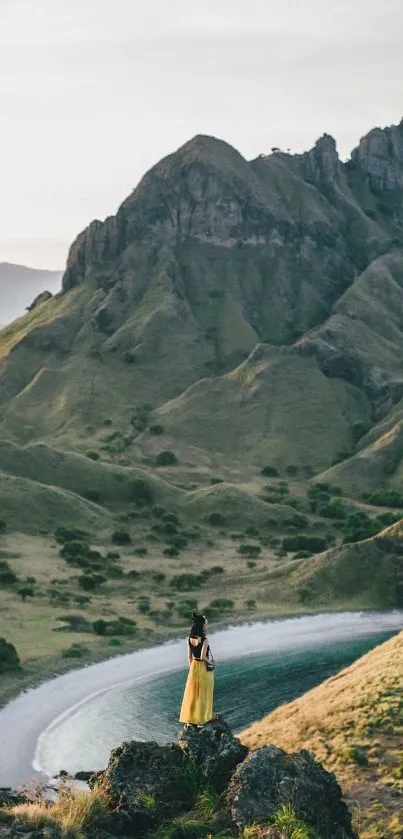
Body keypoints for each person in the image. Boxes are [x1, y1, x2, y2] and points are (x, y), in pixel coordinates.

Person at [179, 613, 214, 727]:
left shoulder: (190, 639)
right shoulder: (204, 640)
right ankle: (202, 720)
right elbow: (203, 657)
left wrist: (192, 669)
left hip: (194, 666)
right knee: (203, 694)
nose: (207, 626)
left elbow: (189, 656)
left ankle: (190, 720)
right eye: (206, 624)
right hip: (203, 668)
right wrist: (210, 662)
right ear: (202, 626)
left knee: (193, 694)